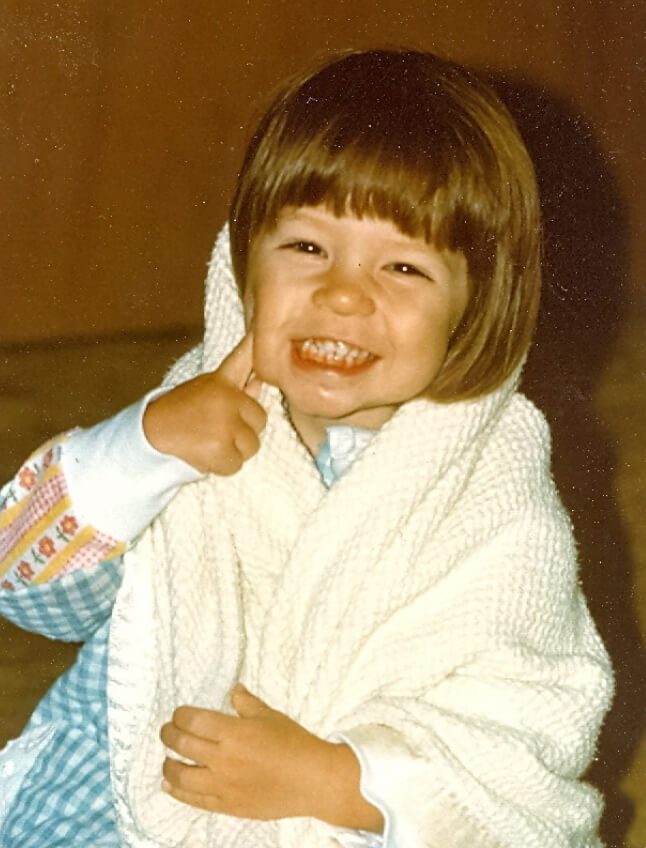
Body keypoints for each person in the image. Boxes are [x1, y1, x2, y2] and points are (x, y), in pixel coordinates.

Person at [0, 48, 613, 847]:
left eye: (402, 265)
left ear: (478, 304)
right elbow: (29, 590)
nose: (344, 293)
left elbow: (527, 733)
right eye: (307, 249)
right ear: (243, 258)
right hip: (130, 788)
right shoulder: (190, 421)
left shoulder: (495, 508)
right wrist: (144, 451)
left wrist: (337, 781)